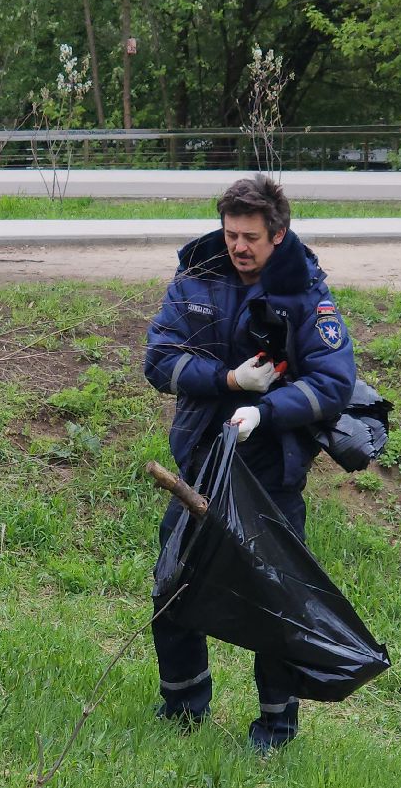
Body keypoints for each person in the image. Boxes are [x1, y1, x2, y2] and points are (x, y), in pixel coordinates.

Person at [142, 175, 357, 752]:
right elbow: (159, 360)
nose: (238, 246)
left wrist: (266, 410)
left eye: (251, 237)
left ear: (278, 235)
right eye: (231, 232)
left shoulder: (308, 295)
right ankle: (183, 709)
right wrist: (229, 380)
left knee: (277, 603)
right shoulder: (195, 279)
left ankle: (276, 730)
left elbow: (334, 384)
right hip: (202, 465)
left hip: (271, 476)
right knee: (173, 584)